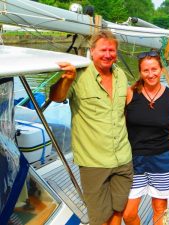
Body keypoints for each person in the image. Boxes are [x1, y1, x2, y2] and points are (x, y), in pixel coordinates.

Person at [49, 30, 133, 225]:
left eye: (112, 50)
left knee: (118, 211)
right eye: (103, 49)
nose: (108, 54)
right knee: (99, 219)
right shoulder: (78, 74)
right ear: (92, 51)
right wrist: (66, 79)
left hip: (123, 158)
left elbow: (126, 111)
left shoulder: (120, 75)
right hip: (93, 162)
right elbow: (56, 97)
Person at [123, 51, 169, 225]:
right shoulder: (129, 94)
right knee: (128, 214)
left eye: (154, 69)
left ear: (161, 70)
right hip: (134, 160)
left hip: (162, 158)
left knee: (159, 210)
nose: (151, 74)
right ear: (140, 72)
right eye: (146, 70)